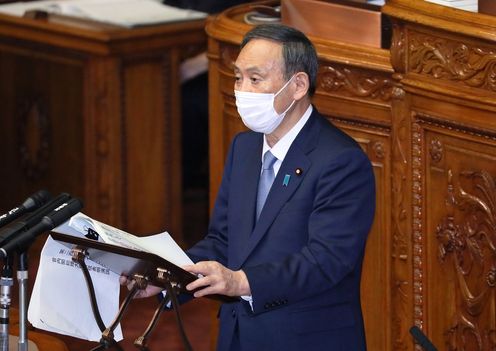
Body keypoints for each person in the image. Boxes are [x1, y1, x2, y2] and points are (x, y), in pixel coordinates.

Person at [124, 23, 375, 351]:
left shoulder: (340, 161)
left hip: (307, 339)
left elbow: (324, 261)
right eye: (238, 78)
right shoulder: (244, 148)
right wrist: (168, 277)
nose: (241, 90)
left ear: (297, 85)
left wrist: (240, 281)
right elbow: (224, 241)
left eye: (255, 79)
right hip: (238, 337)